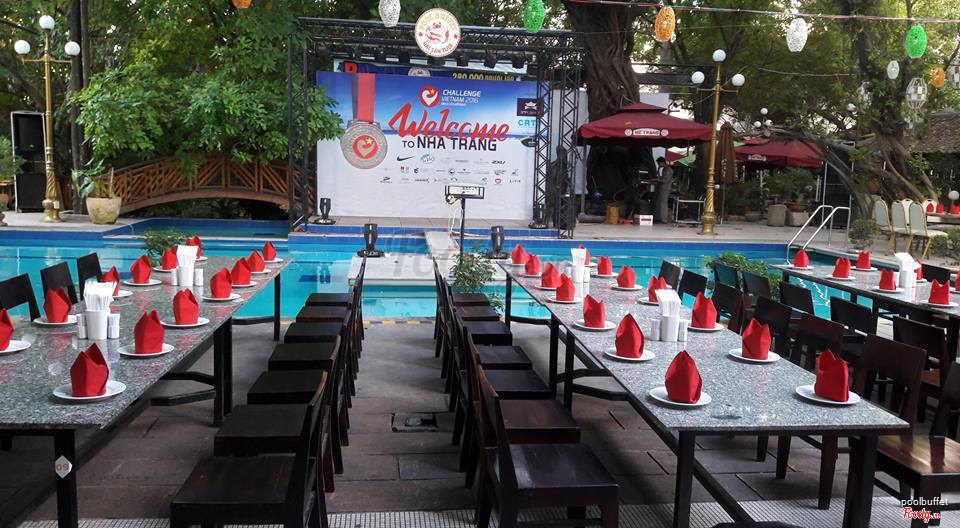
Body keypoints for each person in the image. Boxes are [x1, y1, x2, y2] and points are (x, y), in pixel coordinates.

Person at [655, 156, 674, 223]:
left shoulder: (669, 170)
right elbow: (661, 178)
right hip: (661, 188)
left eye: (659, 164)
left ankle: (664, 219)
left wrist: (657, 180)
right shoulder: (663, 169)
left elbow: (664, 180)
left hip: (666, 189)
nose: (659, 165)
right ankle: (659, 217)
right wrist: (658, 170)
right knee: (659, 202)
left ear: (662, 162)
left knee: (663, 203)